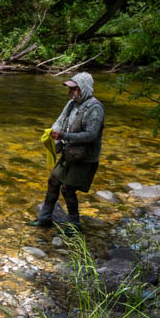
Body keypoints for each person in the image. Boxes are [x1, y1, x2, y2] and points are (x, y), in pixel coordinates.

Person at [27, 72, 104, 233]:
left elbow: (91, 135)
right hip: (69, 154)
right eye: (69, 89)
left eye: (74, 89)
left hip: (85, 158)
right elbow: (60, 121)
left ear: (84, 88)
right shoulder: (71, 104)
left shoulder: (95, 108)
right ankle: (44, 219)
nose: (70, 92)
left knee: (68, 189)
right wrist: (53, 137)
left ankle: (74, 225)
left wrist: (64, 136)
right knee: (53, 181)